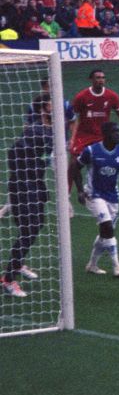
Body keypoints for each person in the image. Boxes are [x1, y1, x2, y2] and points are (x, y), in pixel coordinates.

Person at [71, 122, 119, 278]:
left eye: (118, 132)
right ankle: (117, 266)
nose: (118, 134)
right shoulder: (91, 151)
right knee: (108, 228)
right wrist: (80, 191)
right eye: (114, 132)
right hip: (94, 195)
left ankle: (92, 265)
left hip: (112, 197)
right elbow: (74, 167)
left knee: (106, 233)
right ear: (106, 135)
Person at [1, 96, 54, 297]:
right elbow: (14, 153)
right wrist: (32, 169)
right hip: (24, 186)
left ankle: (19, 263)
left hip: (36, 186)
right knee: (28, 229)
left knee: (35, 225)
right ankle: (8, 279)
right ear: (43, 109)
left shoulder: (53, 131)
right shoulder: (35, 131)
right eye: (51, 105)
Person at [69, 69, 119, 157]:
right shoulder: (81, 96)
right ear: (91, 80)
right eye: (98, 78)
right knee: (74, 161)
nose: (101, 80)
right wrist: (73, 138)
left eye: (103, 78)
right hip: (84, 135)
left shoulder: (111, 96)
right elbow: (74, 118)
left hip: (102, 136)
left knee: (103, 161)